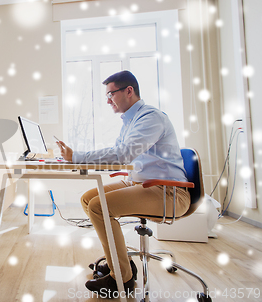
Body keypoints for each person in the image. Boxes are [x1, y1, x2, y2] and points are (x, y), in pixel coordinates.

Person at [56, 70, 190, 296]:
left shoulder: (151, 117)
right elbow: (119, 153)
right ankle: (120, 262)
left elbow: (123, 154)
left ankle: (122, 278)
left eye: (111, 94)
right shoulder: (129, 121)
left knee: (99, 206)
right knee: (88, 199)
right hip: (143, 183)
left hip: (169, 192)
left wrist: (77, 157)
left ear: (129, 91)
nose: (108, 100)